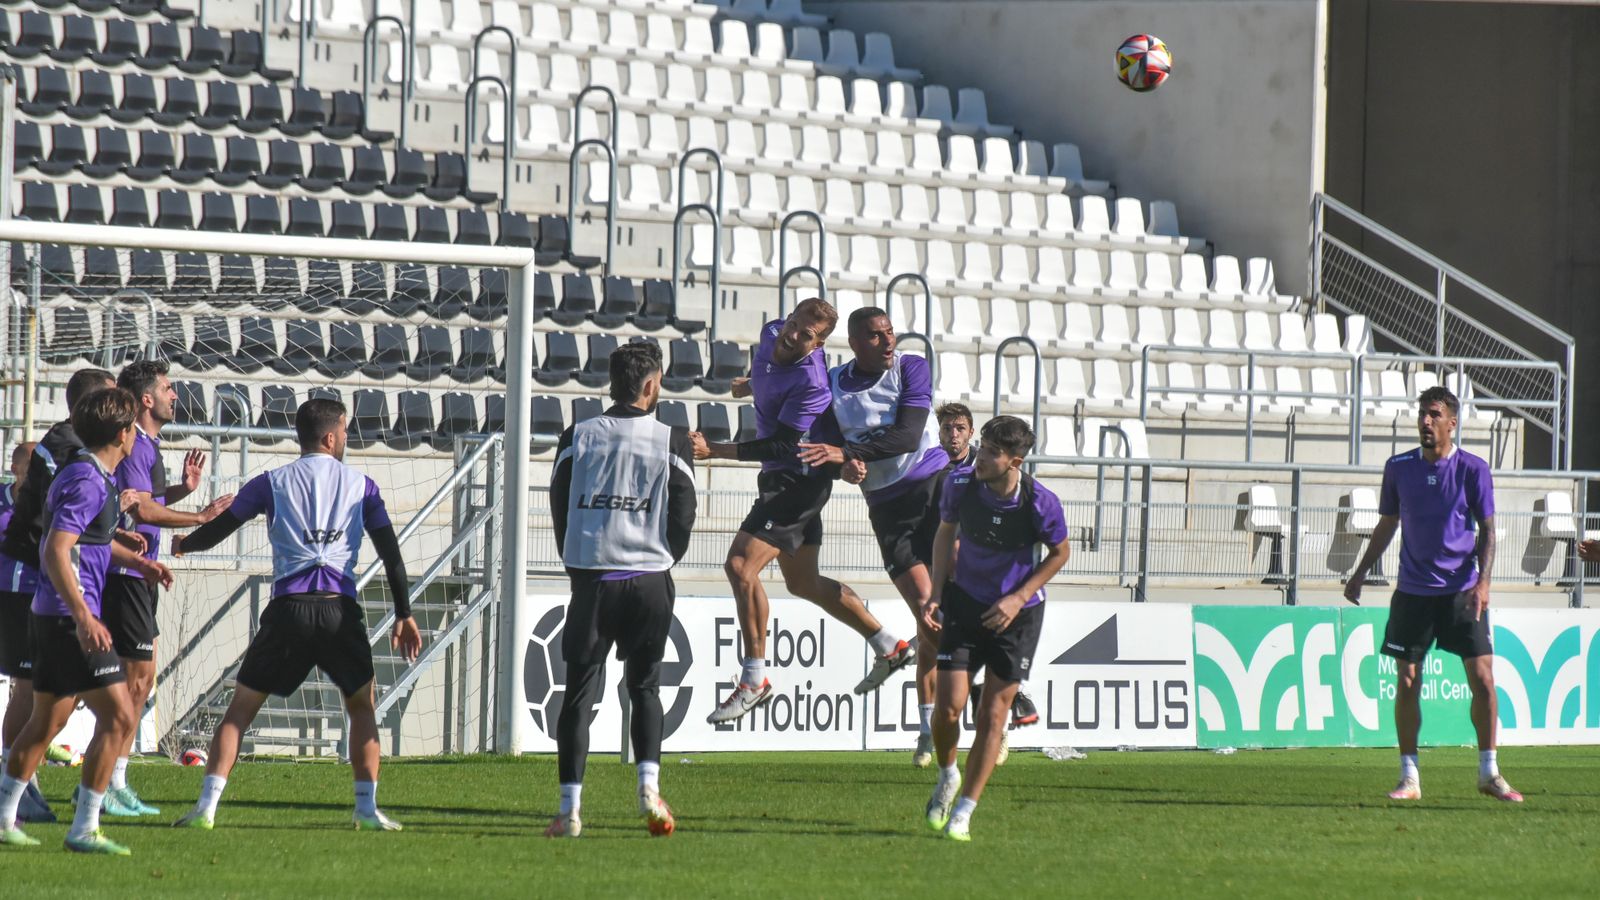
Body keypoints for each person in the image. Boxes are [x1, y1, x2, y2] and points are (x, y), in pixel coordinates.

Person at [169, 399, 422, 831]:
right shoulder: (363, 485)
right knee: (361, 707)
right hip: (338, 609)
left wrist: (183, 545)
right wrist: (404, 612)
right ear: (330, 436)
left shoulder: (271, 482)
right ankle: (365, 810)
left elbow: (222, 527)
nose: (346, 438)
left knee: (240, 711)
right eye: (344, 430)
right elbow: (391, 556)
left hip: (288, 609)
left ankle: (205, 809)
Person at [691, 299, 914, 724]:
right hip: (785, 478)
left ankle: (753, 679)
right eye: (794, 324)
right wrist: (752, 383)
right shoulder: (773, 331)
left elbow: (782, 445)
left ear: (820, 345)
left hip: (798, 480)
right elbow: (770, 373)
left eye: (807, 335)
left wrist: (713, 450)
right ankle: (888, 643)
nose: (794, 335)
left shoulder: (813, 380)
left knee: (740, 566)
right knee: (803, 582)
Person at [1, 368, 167, 824]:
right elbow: (55, 544)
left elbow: (82, 537)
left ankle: (18, 809)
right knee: (111, 714)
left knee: (48, 721)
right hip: (59, 609)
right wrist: (82, 614)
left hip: (62, 608)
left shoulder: (92, 472)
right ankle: (85, 821)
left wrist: (136, 561)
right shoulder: (81, 472)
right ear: (118, 428)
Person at [545, 342, 696, 839]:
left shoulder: (578, 434)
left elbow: (560, 501)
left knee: (578, 695)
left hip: (594, 579)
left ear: (612, 382)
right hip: (649, 580)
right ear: (651, 385)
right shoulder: (671, 438)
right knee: (645, 687)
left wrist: (578, 561)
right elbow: (684, 509)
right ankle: (649, 790)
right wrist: (664, 556)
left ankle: (570, 809)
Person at [1344, 386, 1520, 803]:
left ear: (1452, 422)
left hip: (1462, 592)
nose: (1425, 421)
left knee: (1483, 679)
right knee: (1407, 680)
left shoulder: (1472, 469)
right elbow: (1387, 524)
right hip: (1413, 592)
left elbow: (1488, 530)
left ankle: (1489, 772)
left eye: (1434, 414)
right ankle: (1409, 777)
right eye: (1422, 414)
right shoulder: (1398, 467)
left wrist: (1484, 583)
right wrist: (1359, 573)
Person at [794, 308, 945, 767]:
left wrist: (848, 452)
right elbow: (824, 452)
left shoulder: (910, 366)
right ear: (855, 343)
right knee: (927, 612)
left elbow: (908, 434)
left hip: (932, 487)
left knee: (951, 606)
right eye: (875, 336)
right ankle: (928, 729)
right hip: (885, 505)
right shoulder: (834, 383)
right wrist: (845, 466)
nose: (887, 342)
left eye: (889, 332)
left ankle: (986, 695)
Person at [923, 416, 1070, 842]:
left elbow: (1060, 553)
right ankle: (947, 775)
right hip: (966, 604)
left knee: (992, 715)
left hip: (1017, 616)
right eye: (981, 447)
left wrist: (1016, 598)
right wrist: (935, 592)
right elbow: (943, 534)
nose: (980, 457)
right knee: (948, 708)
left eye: (990, 452)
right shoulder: (959, 484)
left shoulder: (1040, 502)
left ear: (1014, 461)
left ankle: (965, 812)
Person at [97, 360, 233, 818]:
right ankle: (107, 781)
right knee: (131, 681)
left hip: (141, 574)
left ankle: (110, 778)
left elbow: (146, 503)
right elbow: (141, 514)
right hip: (127, 575)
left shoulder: (147, 445)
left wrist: (181, 490)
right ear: (147, 400)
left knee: (137, 680)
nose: (176, 395)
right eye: (169, 388)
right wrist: (199, 517)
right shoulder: (134, 445)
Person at [932, 403, 1037, 768]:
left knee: (985, 665)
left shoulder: (999, 477)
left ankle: (1002, 711)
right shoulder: (933, 466)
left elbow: (1056, 550)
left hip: (991, 589)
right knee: (933, 648)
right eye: (947, 427)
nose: (954, 434)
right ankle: (934, 736)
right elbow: (938, 529)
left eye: (960, 428)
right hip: (951, 581)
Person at [0, 441, 53, 824]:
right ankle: (16, 776)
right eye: (28, 465)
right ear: (15, 467)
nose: (33, 471)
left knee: (37, 689)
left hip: (40, 598)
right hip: (11, 600)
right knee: (27, 687)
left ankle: (23, 774)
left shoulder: (47, 501)